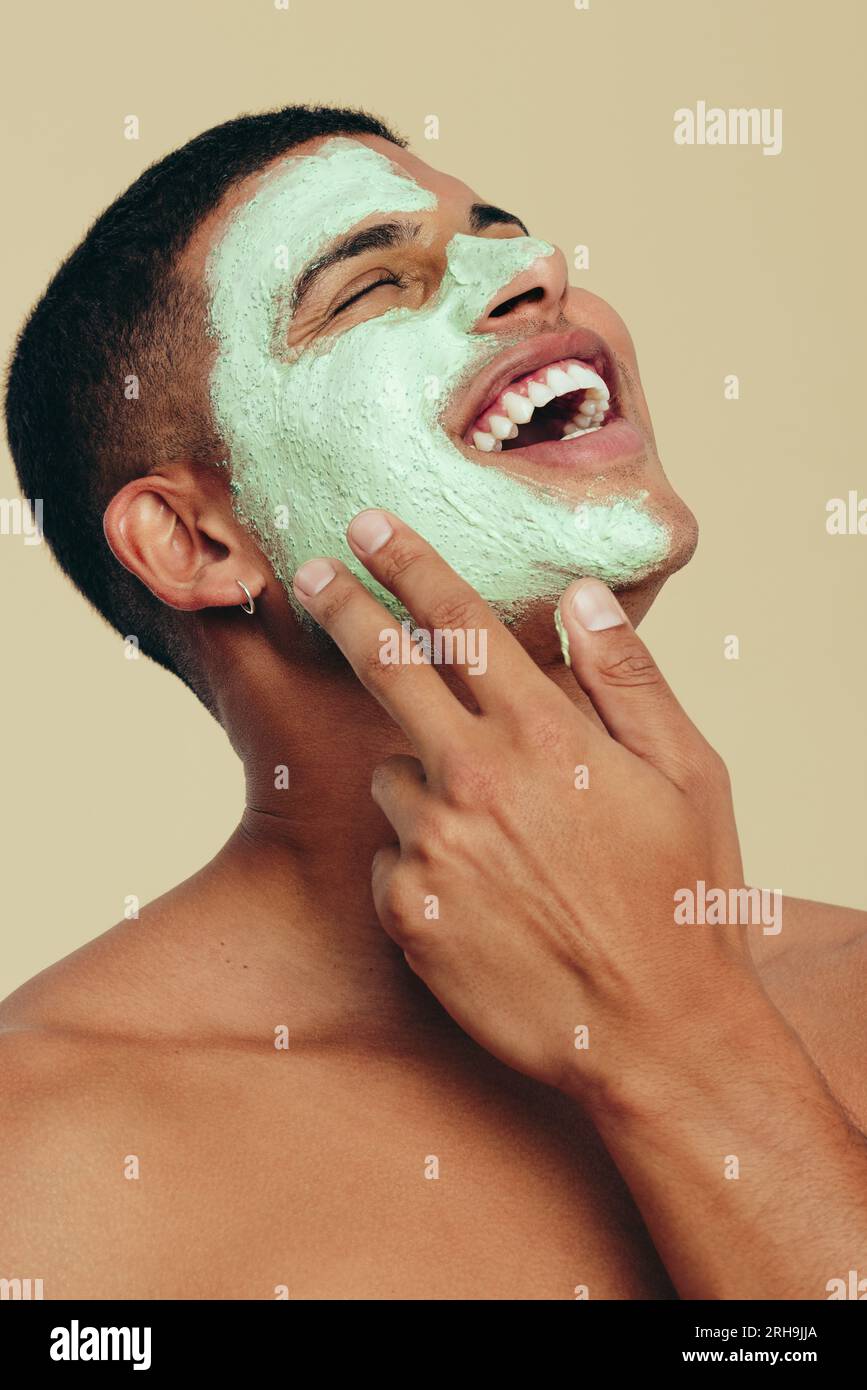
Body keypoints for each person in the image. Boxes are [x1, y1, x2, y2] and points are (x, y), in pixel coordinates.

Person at [2, 104, 865, 1301]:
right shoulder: (42, 1160)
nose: (536, 270)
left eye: (504, 234)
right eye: (370, 287)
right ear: (194, 537)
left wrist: (681, 1032)